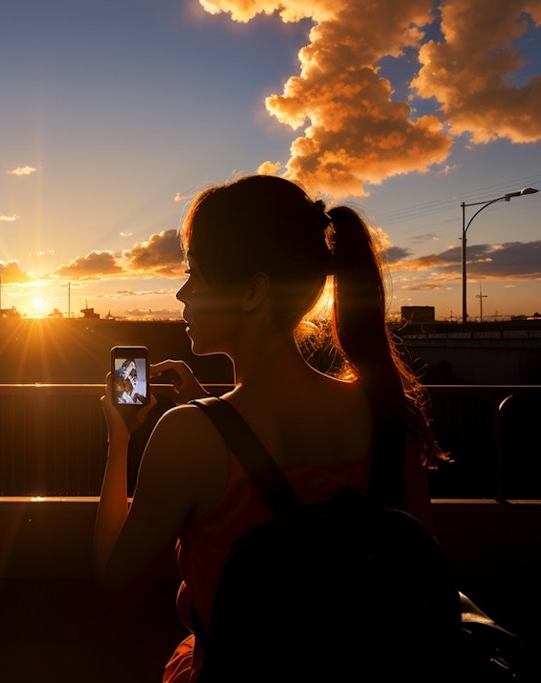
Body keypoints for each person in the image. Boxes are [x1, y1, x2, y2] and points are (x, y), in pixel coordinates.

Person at [92, 175, 444, 682]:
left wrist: (118, 438)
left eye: (196, 273)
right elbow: (421, 576)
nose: (180, 292)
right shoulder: (386, 413)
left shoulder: (187, 438)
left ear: (254, 291)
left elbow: (115, 591)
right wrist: (212, 411)